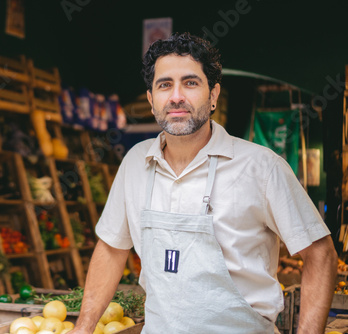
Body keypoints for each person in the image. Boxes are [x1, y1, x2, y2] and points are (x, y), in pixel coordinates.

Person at [70, 32, 337, 333]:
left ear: (213, 95)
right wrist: (83, 327)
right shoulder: (135, 162)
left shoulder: (261, 167)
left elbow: (321, 254)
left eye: (191, 83)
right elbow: (111, 250)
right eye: (164, 85)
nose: (176, 97)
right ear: (151, 99)